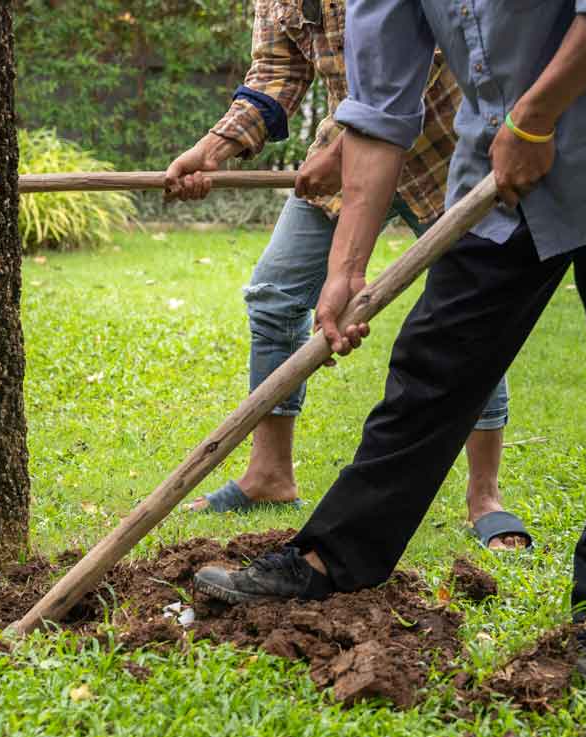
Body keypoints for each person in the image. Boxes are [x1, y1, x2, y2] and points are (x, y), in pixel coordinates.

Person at [194, 0, 586, 682]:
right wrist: (346, 268)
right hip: (502, 147)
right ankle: (331, 559)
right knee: (436, 354)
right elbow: (380, 109)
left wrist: (535, 119)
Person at [164, 0, 531, 550]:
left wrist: (338, 149)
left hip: (446, 155)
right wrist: (214, 149)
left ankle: (485, 497)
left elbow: (431, 52)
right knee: (275, 295)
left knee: (468, 310)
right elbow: (276, 73)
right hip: (355, 155)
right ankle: (269, 475)